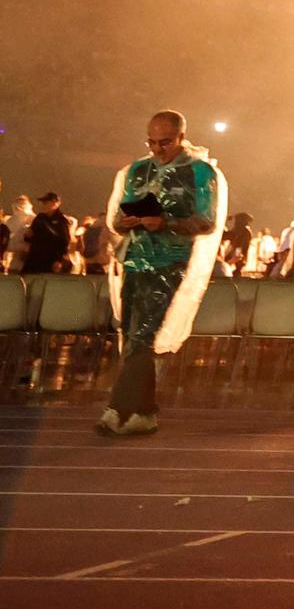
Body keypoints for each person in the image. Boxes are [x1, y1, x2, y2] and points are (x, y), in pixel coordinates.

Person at [98, 112, 227, 437]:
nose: (158, 149)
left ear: (181, 137)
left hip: (169, 264)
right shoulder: (138, 170)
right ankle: (144, 413)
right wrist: (125, 222)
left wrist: (166, 223)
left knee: (142, 336)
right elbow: (117, 218)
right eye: (152, 142)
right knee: (132, 336)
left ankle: (119, 409)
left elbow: (207, 221)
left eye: (165, 142)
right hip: (134, 261)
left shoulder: (200, 172)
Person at [22, 192, 74, 276]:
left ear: (56, 204)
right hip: (35, 257)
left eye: (46, 202)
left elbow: (65, 241)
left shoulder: (61, 221)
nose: (44, 205)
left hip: (51, 259)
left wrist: (59, 260)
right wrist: (28, 236)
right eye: (43, 203)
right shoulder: (40, 218)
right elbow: (30, 237)